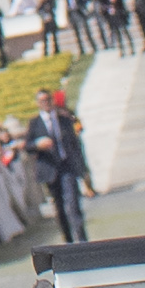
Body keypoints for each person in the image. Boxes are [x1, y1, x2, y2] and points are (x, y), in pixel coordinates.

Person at [22, 87, 94, 247]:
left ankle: (82, 241)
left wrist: (82, 168)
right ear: (38, 103)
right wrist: (37, 145)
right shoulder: (35, 123)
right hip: (50, 169)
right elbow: (27, 145)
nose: (46, 103)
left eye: (48, 100)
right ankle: (68, 241)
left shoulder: (64, 119)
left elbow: (75, 145)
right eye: (42, 101)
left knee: (73, 203)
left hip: (66, 166)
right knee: (59, 207)